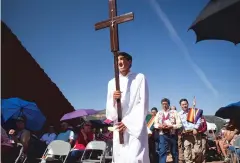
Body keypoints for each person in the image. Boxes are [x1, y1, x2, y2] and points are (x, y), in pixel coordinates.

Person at [105, 52, 150, 163]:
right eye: (117, 60)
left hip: (135, 126)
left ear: (129, 62)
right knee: (121, 158)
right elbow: (110, 113)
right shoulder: (111, 83)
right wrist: (113, 100)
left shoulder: (139, 78)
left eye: (122, 59)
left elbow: (142, 102)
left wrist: (127, 122)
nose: (120, 62)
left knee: (135, 158)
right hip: (119, 127)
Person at [154, 98, 182, 163]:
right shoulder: (159, 113)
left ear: (169, 104)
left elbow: (179, 124)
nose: (164, 105)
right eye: (163, 104)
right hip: (162, 135)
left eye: (166, 104)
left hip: (172, 135)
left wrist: (172, 126)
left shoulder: (174, 112)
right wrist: (159, 126)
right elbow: (155, 124)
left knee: (174, 152)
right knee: (162, 152)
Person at [178, 99, 202, 163]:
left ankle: (194, 160)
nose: (184, 106)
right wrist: (181, 130)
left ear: (188, 104)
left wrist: (195, 128)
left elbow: (199, 120)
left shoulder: (193, 111)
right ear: (180, 105)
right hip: (186, 135)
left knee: (198, 151)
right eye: (183, 104)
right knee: (187, 151)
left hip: (195, 134)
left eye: (185, 104)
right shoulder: (179, 114)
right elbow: (178, 124)